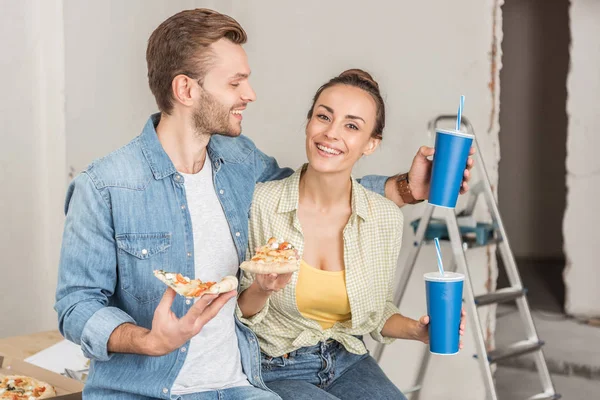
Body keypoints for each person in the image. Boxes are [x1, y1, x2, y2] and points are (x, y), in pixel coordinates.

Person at [54, 9, 473, 400]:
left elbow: (317, 193)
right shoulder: (106, 186)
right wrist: (148, 340)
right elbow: (76, 305)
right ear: (185, 89)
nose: (250, 94)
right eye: (235, 83)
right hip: (151, 389)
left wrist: (406, 188)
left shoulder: (241, 164)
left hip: (243, 382)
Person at [237, 69, 467, 400]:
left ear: (371, 144)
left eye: (351, 126)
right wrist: (262, 288)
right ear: (308, 123)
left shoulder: (384, 217)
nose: (331, 133)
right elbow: (240, 311)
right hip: (274, 367)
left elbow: (378, 314)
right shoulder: (262, 204)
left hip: (347, 361)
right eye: (323, 117)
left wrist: (420, 332)